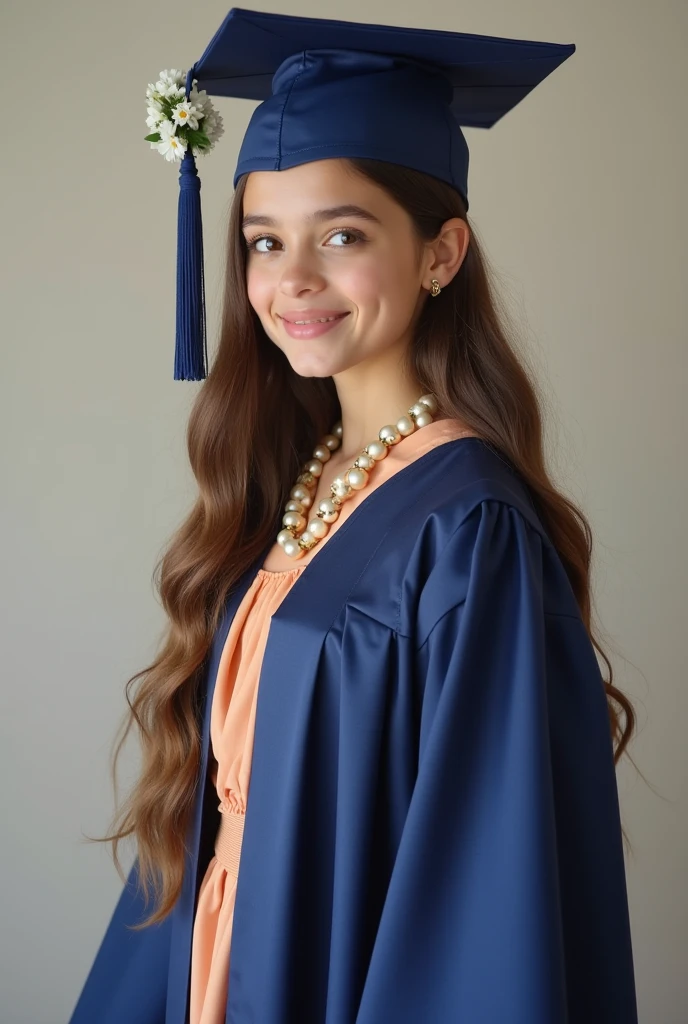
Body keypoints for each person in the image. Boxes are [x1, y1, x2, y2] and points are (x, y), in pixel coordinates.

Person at [69, 8, 639, 1023]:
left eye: (342, 234)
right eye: (262, 240)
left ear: (440, 252)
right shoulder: (300, 479)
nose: (291, 280)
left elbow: (475, 891)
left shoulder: (468, 528)